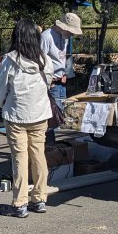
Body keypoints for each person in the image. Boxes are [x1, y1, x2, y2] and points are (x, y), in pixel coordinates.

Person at [0, 19, 54, 217]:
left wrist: (3, 104)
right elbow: (49, 82)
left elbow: (1, 88)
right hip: (39, 114)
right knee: (39, 155)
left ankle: (19, 203)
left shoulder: (10, 60)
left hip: (16, 115)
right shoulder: (44, 59)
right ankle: (39, 199)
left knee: (19, 159)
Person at [42, 12, 82, 143]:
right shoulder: (46, 37)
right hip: (51, 83)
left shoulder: (64, 38)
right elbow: (39, 62)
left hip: (61, 81)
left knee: (59, 115)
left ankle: (52, 146)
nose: (71, 34)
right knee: (51, 117)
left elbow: (61, 58)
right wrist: (48, 81)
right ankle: (49, 146)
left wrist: (65, 73)